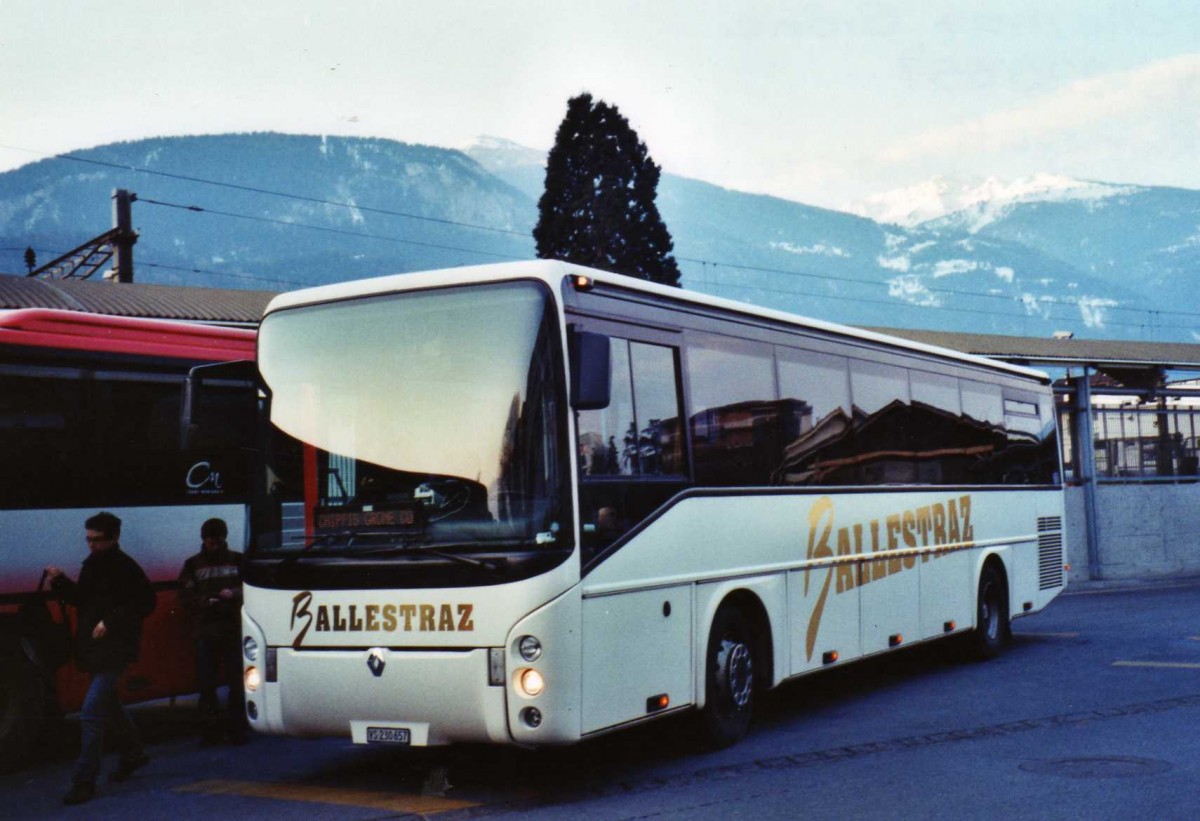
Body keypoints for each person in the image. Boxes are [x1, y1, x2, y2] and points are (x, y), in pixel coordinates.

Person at [46, 511, 155, 806]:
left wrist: (110, 622)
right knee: (109, 705)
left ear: (114, 538)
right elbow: (82, 598)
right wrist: (60, 582)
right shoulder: (95, 564)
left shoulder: (125, 567)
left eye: (97, 540)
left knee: (91, 713)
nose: (91, 545)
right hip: (99, 648)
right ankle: (134, 754)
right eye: (88, 539)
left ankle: (84, 781)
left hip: (114, 648)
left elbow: (146, 603)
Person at [178, 517, 246, 745]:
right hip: (208, 630)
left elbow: (250, 587)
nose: (212, 543)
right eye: (209, 539)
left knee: (236, 683)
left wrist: (235, 593)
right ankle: (211, 732)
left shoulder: (238, 560)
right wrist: (207, 602)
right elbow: (185, 598)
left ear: (223, 538)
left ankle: (237, 730)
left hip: (229, 629)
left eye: (216, 539)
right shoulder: (192, 564)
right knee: (207, 685)